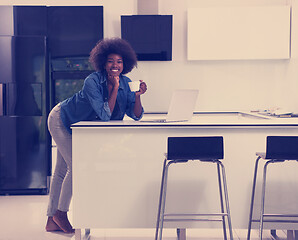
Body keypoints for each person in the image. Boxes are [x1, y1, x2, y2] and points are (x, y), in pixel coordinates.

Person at [45, 37, 147, 233]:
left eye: (119, 61)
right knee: (76, 165)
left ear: (125, 64)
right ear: (103, 62)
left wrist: (136, 97)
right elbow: (105, 115)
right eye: (110, 61)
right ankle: (61, 213)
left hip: (76, 126)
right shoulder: (92, 81)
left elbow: (135, 115)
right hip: (61, 119)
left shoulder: (127, 83)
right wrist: (115, 88)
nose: (115, 65)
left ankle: (51, 220)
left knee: (61, 170)